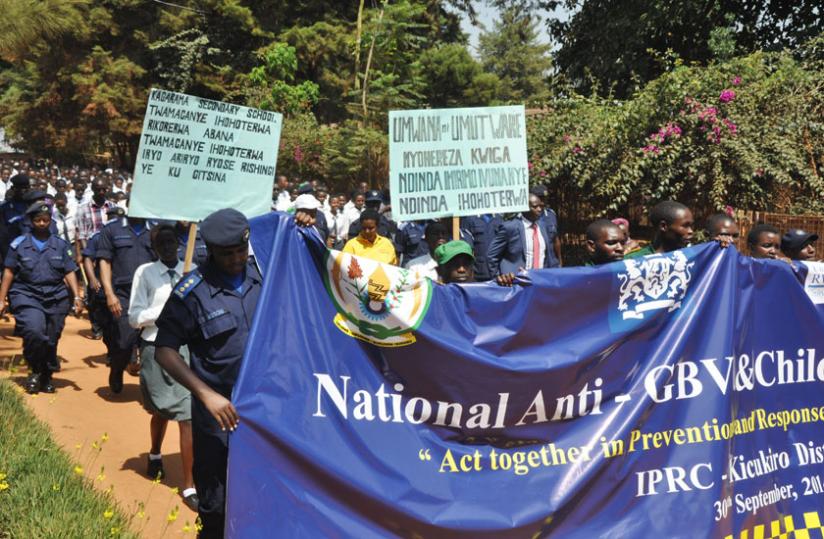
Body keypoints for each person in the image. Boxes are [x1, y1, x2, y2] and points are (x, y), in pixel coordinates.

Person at [154, 208, 263, 538]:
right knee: (216, 505)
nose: (235, 259)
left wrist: (301, 221)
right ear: (210, 250)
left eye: (241, 251)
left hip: (265, 410)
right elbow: (164, 351)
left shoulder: (264, 275)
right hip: (218, 418)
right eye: (226, 254)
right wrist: (205, 394)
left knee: (263, 494)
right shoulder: (191, 291)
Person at [128, 224, 197, 510]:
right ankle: (155, 453)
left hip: (183, 349)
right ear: (155, 247)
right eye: (162, 243)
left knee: (187, 413)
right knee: (160, 411)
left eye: (172, 242)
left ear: (180, 244)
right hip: (155, 347)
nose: (168, 247)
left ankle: (190, 484)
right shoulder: (145, 273)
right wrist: (166, 308)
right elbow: (135, 317)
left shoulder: (190, 271)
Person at [0, 203, 83, 393]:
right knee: (34, 331)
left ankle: (46, 375)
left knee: (51, 339)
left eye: (46, 220)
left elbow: (70, 271)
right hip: (26, 295)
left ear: (50, 221)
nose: (42, 223)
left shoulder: (60, 245)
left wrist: (77, 297)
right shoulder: (19, 244)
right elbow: (9, 272)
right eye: (38, 220)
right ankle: (35, 371)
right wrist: (1, 299)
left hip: (56, 297)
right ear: (31, 221)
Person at [96, 209, 154, 393]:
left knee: (151, 342)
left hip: (150, 293)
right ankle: (117, 369)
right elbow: (104, 261)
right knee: (124, 340)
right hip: (123, 293)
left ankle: (149, 385)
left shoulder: (155, 229)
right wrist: (109, 293)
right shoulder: (112, 229)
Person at [487, 194, 561, 277]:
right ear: (524, 208)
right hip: (516, 282)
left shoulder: (543, 226)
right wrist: (498, 277)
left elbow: (549, 256)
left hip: (540, 281)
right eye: (535, 207)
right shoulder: (510, 227)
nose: (539, 209)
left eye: (541, 206)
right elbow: (492, 256)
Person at [434, 240, 521, 286]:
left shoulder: (485, 294)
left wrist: (506, 286)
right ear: (440, 271)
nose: (461, 269)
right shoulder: (430, 299)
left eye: (466, 264)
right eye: (454, 264)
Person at [625, 201, 694, 258]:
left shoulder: (692, 257)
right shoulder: (634, 260)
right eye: (685, 226)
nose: (691, 231)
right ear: (663, 226)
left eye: (691, 226)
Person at [76, 178, 116, 265]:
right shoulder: (83, 208)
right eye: (98, 189)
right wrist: (89, 255)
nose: (101, 192)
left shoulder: (113, 207)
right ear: (93, 189)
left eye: (104, 189)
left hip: (110, 250)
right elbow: (82, 235)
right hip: (93, 250)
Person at [460, 214, 503, 281]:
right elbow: (466, 249)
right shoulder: (470, 219)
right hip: (478, 275)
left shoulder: (500, 219)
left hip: (499, 275)